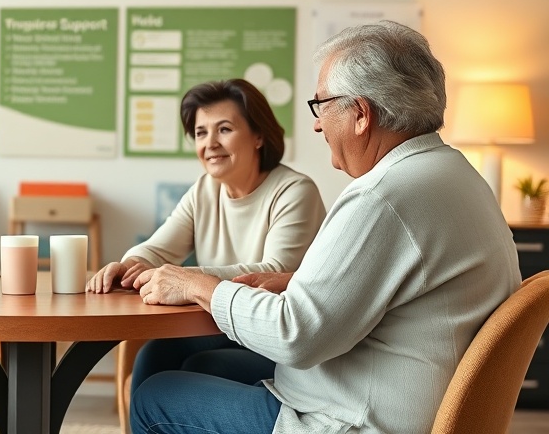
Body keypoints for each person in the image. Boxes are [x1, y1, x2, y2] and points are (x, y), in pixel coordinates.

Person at [129, 21, 522, 433]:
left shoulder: (382, 196)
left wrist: (197, 285)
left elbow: (294, 336)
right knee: (180, 362)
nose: (317, 125)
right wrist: (299, 281)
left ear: (359, 114)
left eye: (321, 106)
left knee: (154, 398)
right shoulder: (453, 174)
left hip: (350, 420)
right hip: (385, 399)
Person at [87, 79, 326, 392]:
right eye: (201, 133)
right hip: (222, 325)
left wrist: (186, 282)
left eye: (224, 129)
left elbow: (274, 273)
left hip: (280, 339)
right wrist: (130, 264)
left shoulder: (295, 192)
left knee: (203, 368)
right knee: (153, 356)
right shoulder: (204, 190)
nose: (210, 143)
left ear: (258, 136)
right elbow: (158, 250)